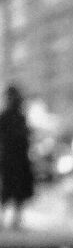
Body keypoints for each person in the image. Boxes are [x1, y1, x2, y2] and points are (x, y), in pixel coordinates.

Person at [0, 84, 34, 229]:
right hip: (9, 159)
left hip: (18, 159)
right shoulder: (6, 117)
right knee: (7, 189)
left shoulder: (20, 117)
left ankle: (16, 219)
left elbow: (26, 137)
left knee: (18, 190)